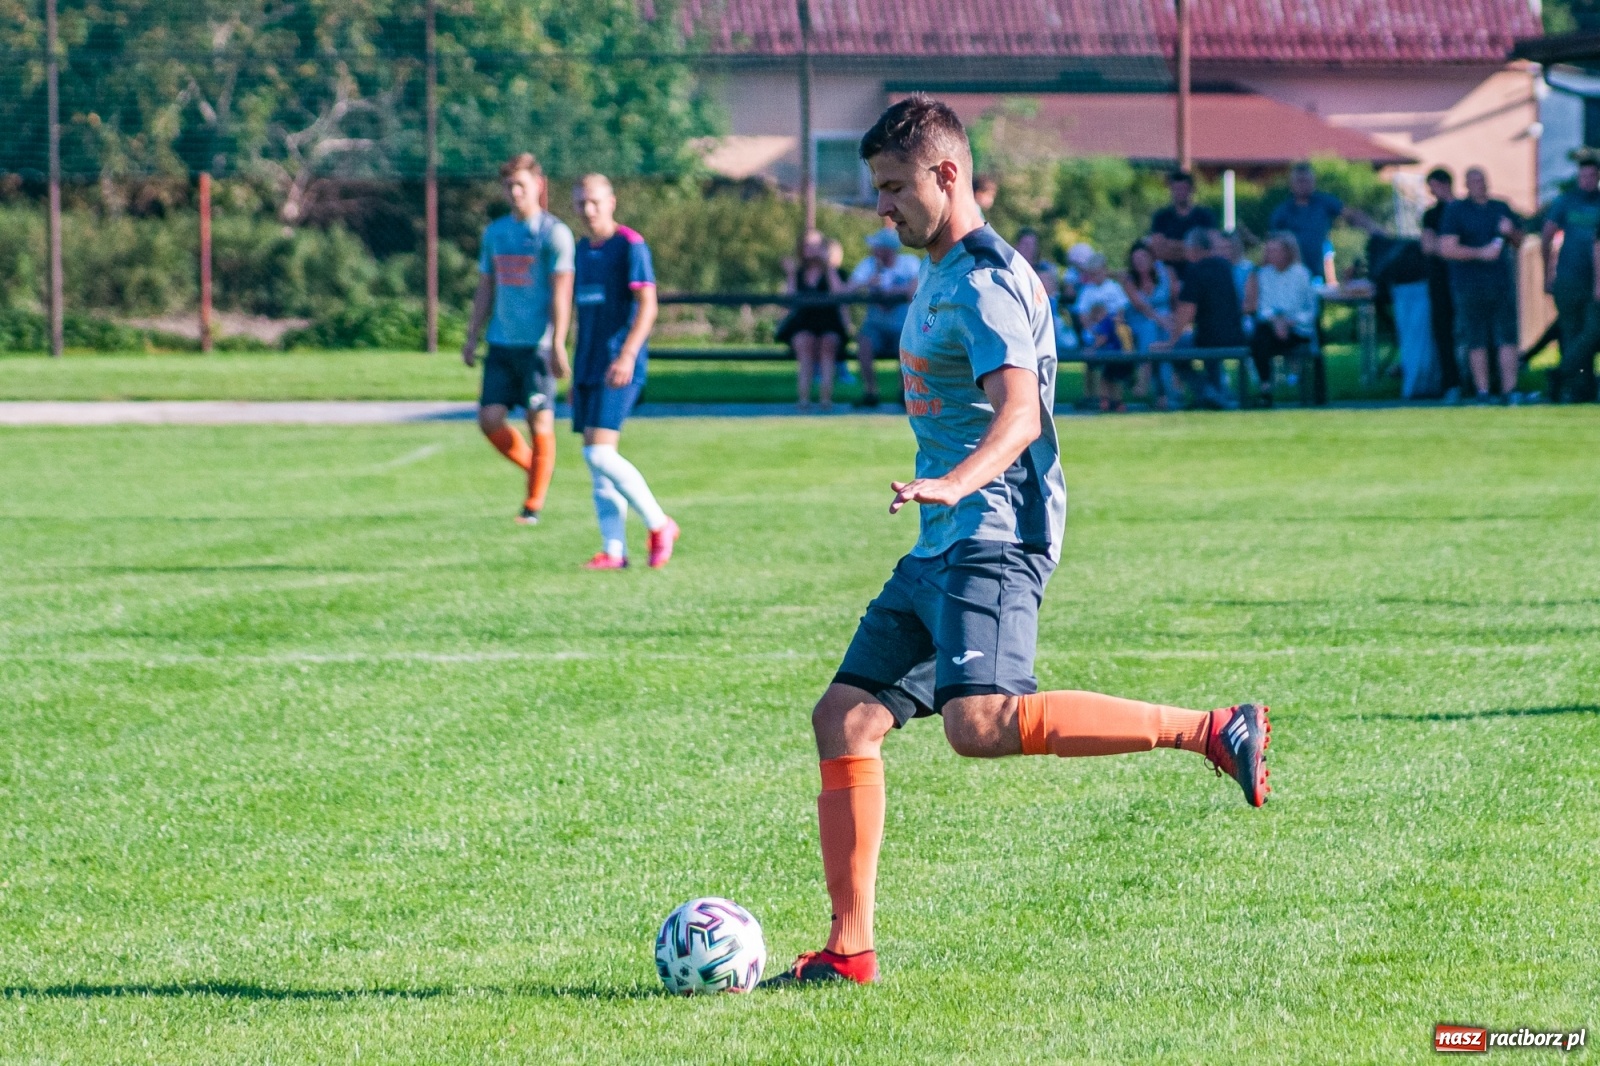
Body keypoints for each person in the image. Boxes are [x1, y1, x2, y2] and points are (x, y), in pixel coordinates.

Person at [770, 95, 1270, 988]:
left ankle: (1212, 729)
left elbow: (1021, 413)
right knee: (844, 718)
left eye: (893, 188)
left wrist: (959, 481)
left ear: (947, 174)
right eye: (877, 190)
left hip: (995, 532)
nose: (881, 209)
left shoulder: (988, 280)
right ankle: (849, 953)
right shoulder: (938, 268)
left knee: (980, 725)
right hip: (941, 539)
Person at [567, 174, 680, 571]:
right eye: (581, 202)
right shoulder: (582, 249)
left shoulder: (630, 245)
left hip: (619, 363)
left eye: (595, 201)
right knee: (595, 458)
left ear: (612, 202)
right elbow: (583, 314)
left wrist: (629, 354)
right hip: (588, 364)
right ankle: (614, 550)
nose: (588, 210)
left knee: (599, 453)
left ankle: (660, 523)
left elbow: (647, 304)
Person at [462, 153, 575, 525]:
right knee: (489, 420)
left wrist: (558, 342)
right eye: (509, 186)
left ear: (538, 187)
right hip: (501, 342)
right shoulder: (496, 233)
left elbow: (562, 293)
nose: (514, 192)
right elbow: (485, 286)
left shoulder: (553, 234)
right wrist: (472, 334)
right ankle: (536, 469)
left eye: (521, 185)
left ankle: (533, 505)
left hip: (538, 346)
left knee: (539, 422)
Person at [1439, 166, 1524, 404]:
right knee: (1475, 338)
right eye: (1474, 181)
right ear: (1466, 184)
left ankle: (1510, 390)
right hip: (1469, 285)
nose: (1479, 185)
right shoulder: (1456, 211)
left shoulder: (1500, 208)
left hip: (1500, 284)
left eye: (1482, 180)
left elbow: (1519, 241)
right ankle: (1483, 391)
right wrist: (1480, 253)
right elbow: (1446, 248)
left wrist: (1511, 232)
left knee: (1507, 336)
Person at [1155, 228, 1246, 409]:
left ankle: (1208, 392)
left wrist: (1171, 341)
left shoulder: (1195, 271)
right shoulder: (1225, 266)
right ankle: (1216, 391)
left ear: (1194, 249)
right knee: (1204, 346)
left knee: (1177, 351)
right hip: (1236, 334)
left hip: (1208, 337)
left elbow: (1187, 311)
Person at [1541, 149, 1600, 403]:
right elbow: (1547, 235)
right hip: (1569, 277)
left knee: (1592, 332)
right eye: (1584, 175)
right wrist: (1548, 272)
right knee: (1571, 332)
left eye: (1592, 175)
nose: (1587, 180)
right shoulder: (1566, 201)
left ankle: (1561, 373)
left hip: (1593, 281)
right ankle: (1579, 389)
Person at [777, 229, 851, 411]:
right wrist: (791, 274)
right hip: (804, 321)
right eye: (807, 245)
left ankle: (826, 399)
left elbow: (838, 294)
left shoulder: (836, 272)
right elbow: (789, 301)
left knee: (828, 344)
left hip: (828, 321)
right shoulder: (799, 273)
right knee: (805, 343)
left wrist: (828, 267)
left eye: (816, 245)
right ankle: (804, 399)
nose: (811, 249)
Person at [848, 227, 920, 407]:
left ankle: (904, 393)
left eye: (877, 247)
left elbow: (915, 289)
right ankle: (870, 392)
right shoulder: (868, 265)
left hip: (903, 322)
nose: (873, 251)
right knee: (864, 342)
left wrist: (895, 290)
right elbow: (846, 290)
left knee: (907, 343)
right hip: (875, 324)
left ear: (888, 249)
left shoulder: (909, 263)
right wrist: (867, 282)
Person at [1242, 232, 1316, 407]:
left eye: (1275, 251)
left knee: (1264, 339)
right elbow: (1263, 307)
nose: (1270, 255)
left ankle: (1279, 384)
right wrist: (1276, 321)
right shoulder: (1264, 275)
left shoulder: (1302, 274)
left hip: (1297, 328)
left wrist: (1290, 321)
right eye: (1268, 251)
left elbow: (1310, 310)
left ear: (1288, 252)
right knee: (1259, 338)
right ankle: (1266, 386)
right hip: (1272, 328)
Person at [1269, 162, 1376, 280]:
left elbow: (1351, 214)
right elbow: (1273, 242)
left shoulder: (1323, 202)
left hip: (1320, 269)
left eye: (1307, 181)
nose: (1303, 185)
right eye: (1300, 181)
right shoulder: (1283, 211)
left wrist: (1375, 230)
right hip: (1293, 273)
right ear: (1292, 184)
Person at [1419, 168, 1463, 401]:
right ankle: (1451, 382)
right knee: (1443, 333)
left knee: (1469, 333)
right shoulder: (1431, 215)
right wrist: (1454, 248)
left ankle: (1477, 382)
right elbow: (1428, 247)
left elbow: (1436, 246)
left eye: (1432, 186)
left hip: (1463, 281)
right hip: (1440, 281)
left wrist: (1448, 247)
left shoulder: (1462, 210)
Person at [1122, 239, 1181, 409]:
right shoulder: (1129, 280)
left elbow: (1177, 300)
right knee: (1150, 327)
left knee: (1160, 334)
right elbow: (1141, 306)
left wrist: (1173, 320)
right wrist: (1161, 319)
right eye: (1136, 260)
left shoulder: (1166, 273)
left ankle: (1153, 384)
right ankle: (1166, 388)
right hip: (1140, 320)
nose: (1140, 263)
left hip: (1166, 321)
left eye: (1143, 258)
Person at [1148, 170, 1218, 277]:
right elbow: (1158, 251)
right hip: (1169, 276)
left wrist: (1170, 245)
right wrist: (1193, 247)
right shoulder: (1161, 217)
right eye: (1176, 189)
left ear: (1192, 190)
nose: (1180, 193)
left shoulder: (1205, 216)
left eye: (1183, 189)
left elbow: (1211, 248)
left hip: (1200, 274)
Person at [1082, 300, 1135, 412]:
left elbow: (1103, 338)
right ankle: (1117, 403)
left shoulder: (1106, 321)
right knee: (1115, 380)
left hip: (1113, 356)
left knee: (1105, 379)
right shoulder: (1116, 321)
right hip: (1124, 355)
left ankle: (1105, 401)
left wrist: (1092, 349)